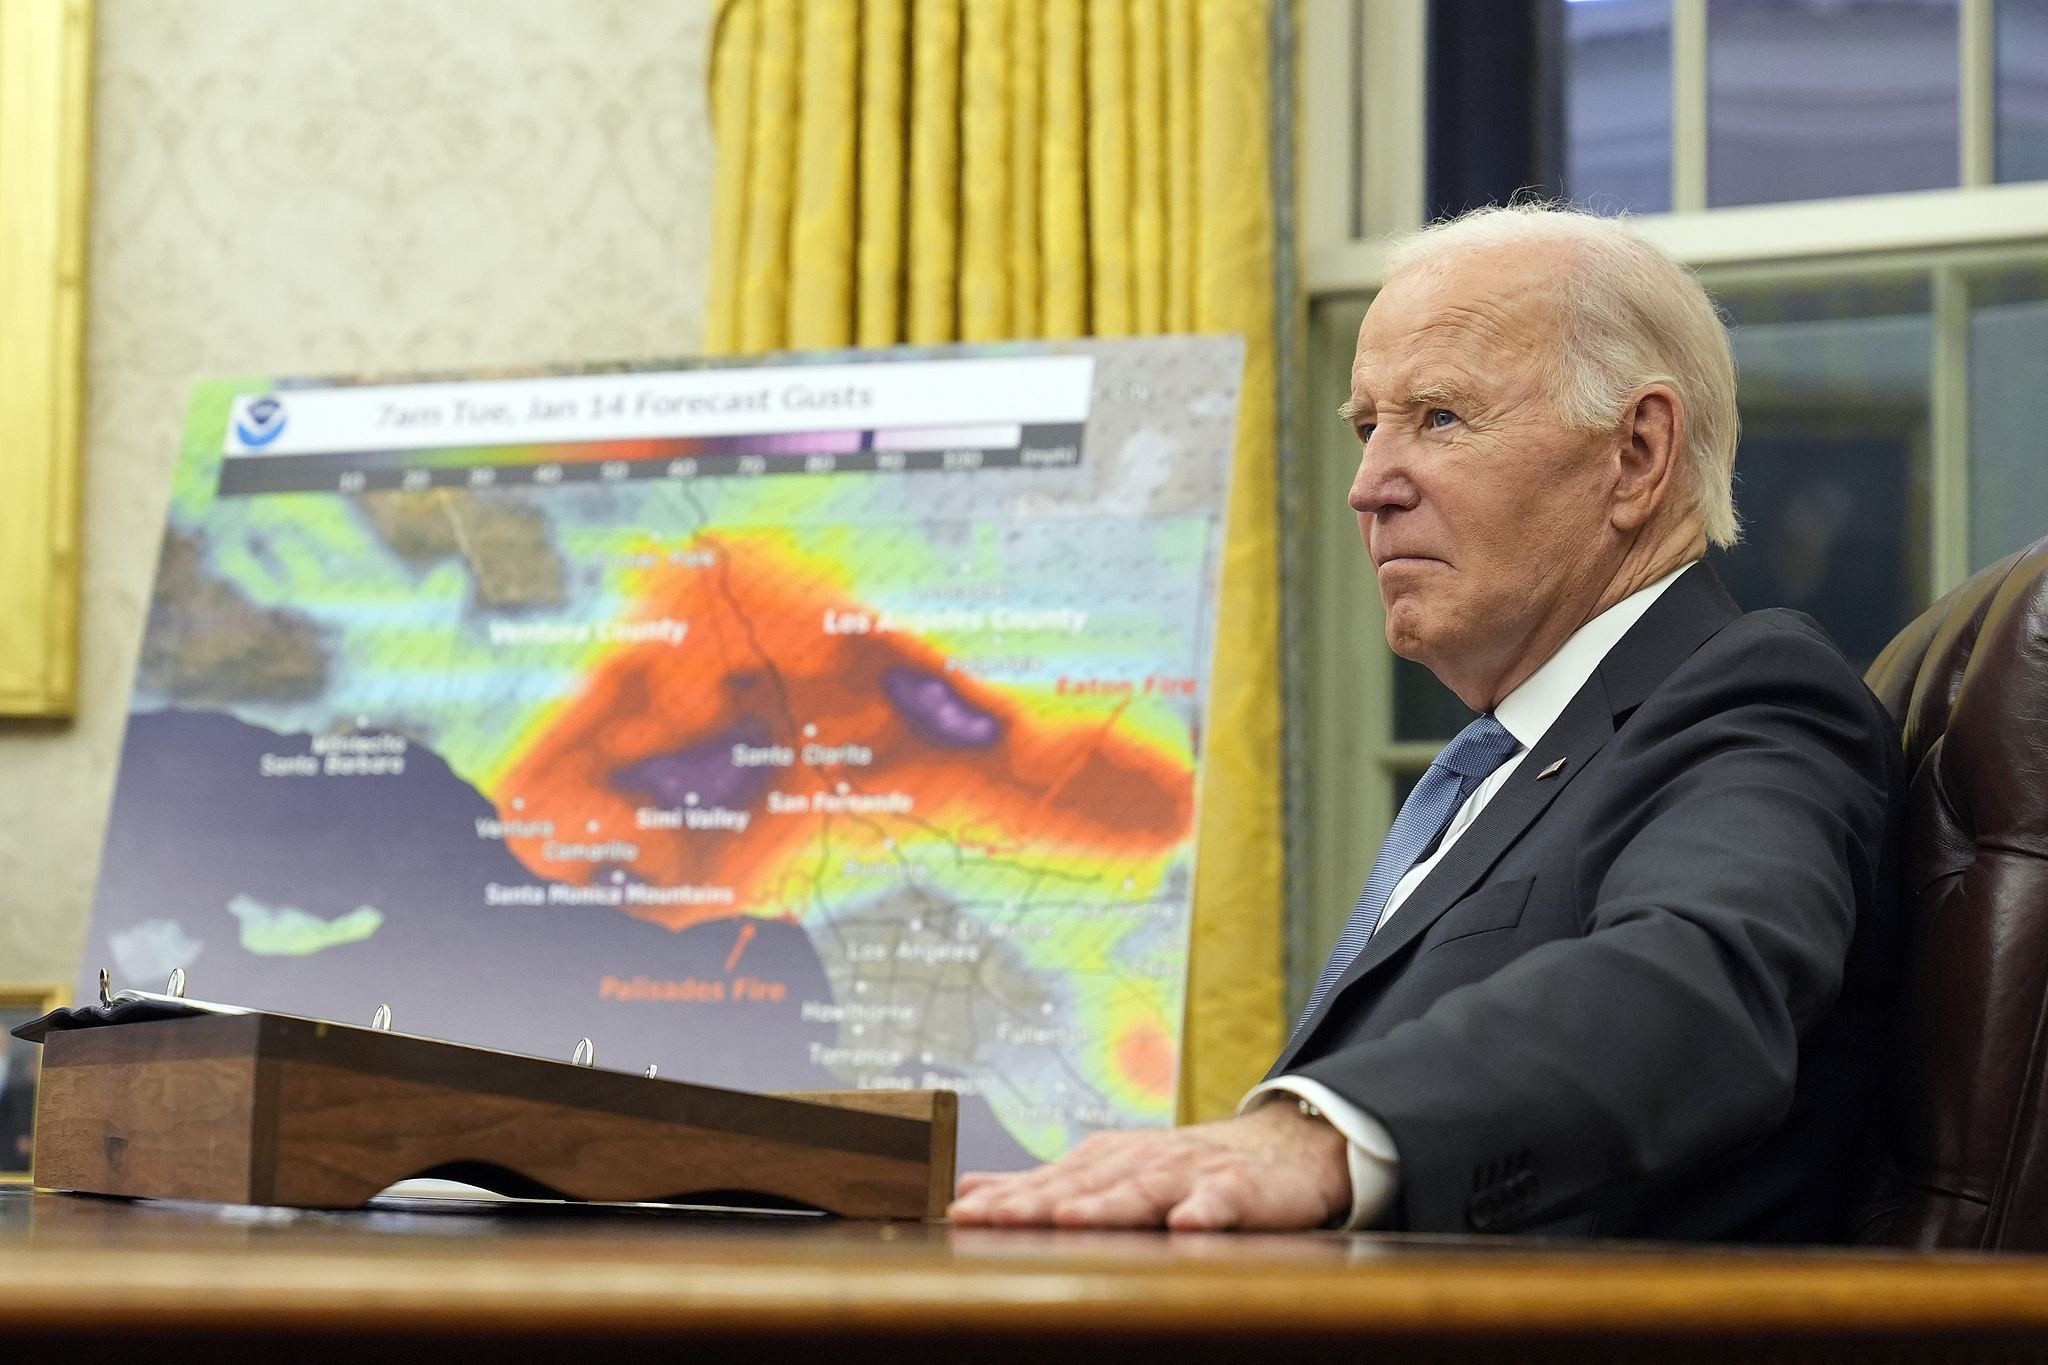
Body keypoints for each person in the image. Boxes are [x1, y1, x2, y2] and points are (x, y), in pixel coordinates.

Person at [947, 204, 1905, 1239]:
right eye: (1367, 428)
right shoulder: (1505, 761)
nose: (1368, 488)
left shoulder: (1753, 694)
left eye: (1438, 418)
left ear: (1635, 454)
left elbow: (1695, 982)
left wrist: (1315, 1136)